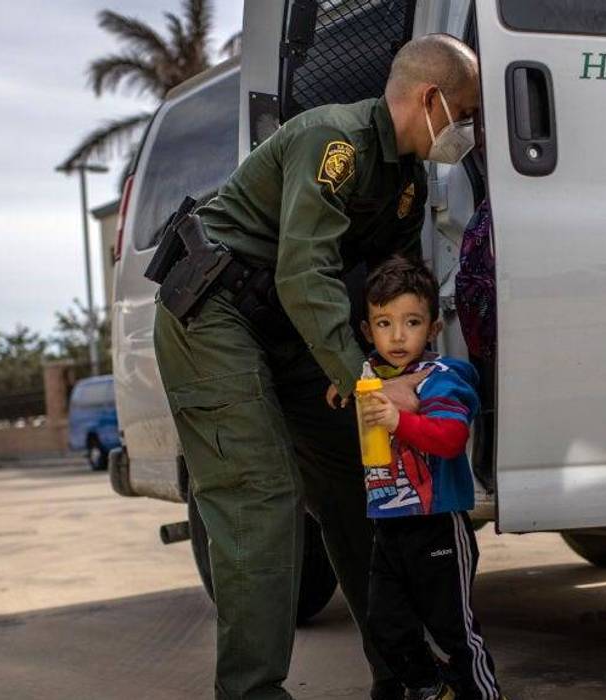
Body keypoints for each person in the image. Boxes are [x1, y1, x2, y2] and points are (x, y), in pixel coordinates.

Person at [152, 34, 481, 700]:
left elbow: (384, 286)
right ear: (430, 99)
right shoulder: (331, 142)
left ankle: (405, 677)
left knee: (363, 486)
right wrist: (364, 378)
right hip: (216, 312)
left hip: (291, 328)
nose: (466, 131)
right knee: (261, 497)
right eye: (465, 112)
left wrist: (408, 368)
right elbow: (305, 272)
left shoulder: (406, 183)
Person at [355, 257, 504, 700]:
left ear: (434, 329)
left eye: (412, 322)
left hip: (437, 523)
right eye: (384, 323)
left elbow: (451, 438)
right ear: (368, 331)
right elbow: (361, 383)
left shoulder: (441, 379)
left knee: (456, 631)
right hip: (389, 527)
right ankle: (434, 689)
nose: (397, 336)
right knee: (385, 627)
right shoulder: (371, 378)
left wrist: (398, 420)